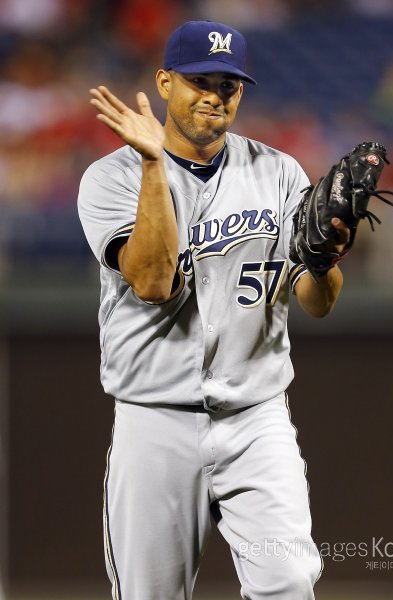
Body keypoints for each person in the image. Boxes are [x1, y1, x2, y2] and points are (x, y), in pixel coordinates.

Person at [78, 19, 350, 600]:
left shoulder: (279, 174)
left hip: (256, 417)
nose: (214, 95)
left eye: (228, 84)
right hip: (155, 419)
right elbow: (152, 282)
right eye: (199, 80)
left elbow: (317, 303)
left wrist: (324, 260)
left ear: (242, 92)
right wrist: (154, 163)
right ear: (165, 83)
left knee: (290, 581)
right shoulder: (111, 177)